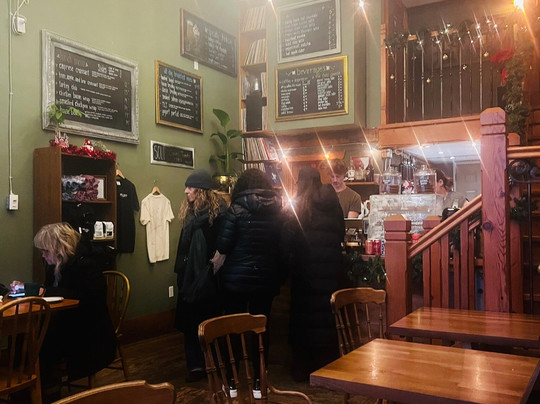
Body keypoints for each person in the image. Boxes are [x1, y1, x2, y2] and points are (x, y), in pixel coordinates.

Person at [12, 222, 116, 396]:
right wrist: (32, 289)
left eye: (46, 251)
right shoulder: (55, 265)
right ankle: (28, 391)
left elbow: (88, 299)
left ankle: (42, 390)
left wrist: (43, 290)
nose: (43, 255)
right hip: (66, 323)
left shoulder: (86, 265)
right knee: (23, 337)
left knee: (38, 341)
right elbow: (52, 290)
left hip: (89, 331)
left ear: (59, 249)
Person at [212, 168, 283, 397]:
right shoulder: (278, 210)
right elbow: (282, 246)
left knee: (234, 328)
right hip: (266, 279)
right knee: (261, 328)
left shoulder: (235, 209)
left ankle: (232, 383)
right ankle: (259, 384)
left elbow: (223, 246)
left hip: (237, 280)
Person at [281, 167, 345, 381]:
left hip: (304, 273)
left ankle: (302, 370)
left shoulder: (297, 206)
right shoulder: (332, 203)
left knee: (304, 320)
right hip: (331, 271)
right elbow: (341, 233)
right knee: (326, 319)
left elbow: (286, 240)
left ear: (300, 183)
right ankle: (327, 368)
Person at [174, 170, 227, 382]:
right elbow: (182, 248)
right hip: (188, 277)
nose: (186, 191)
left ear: (202, 191)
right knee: (190, 323)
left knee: (210, 322)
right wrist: (180, 274)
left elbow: (223, 248)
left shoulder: (219, 216)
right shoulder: (190, 215)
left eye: (190, 187)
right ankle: (195, 366)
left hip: (210, 278)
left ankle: (213, 364)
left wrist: (211, 271)